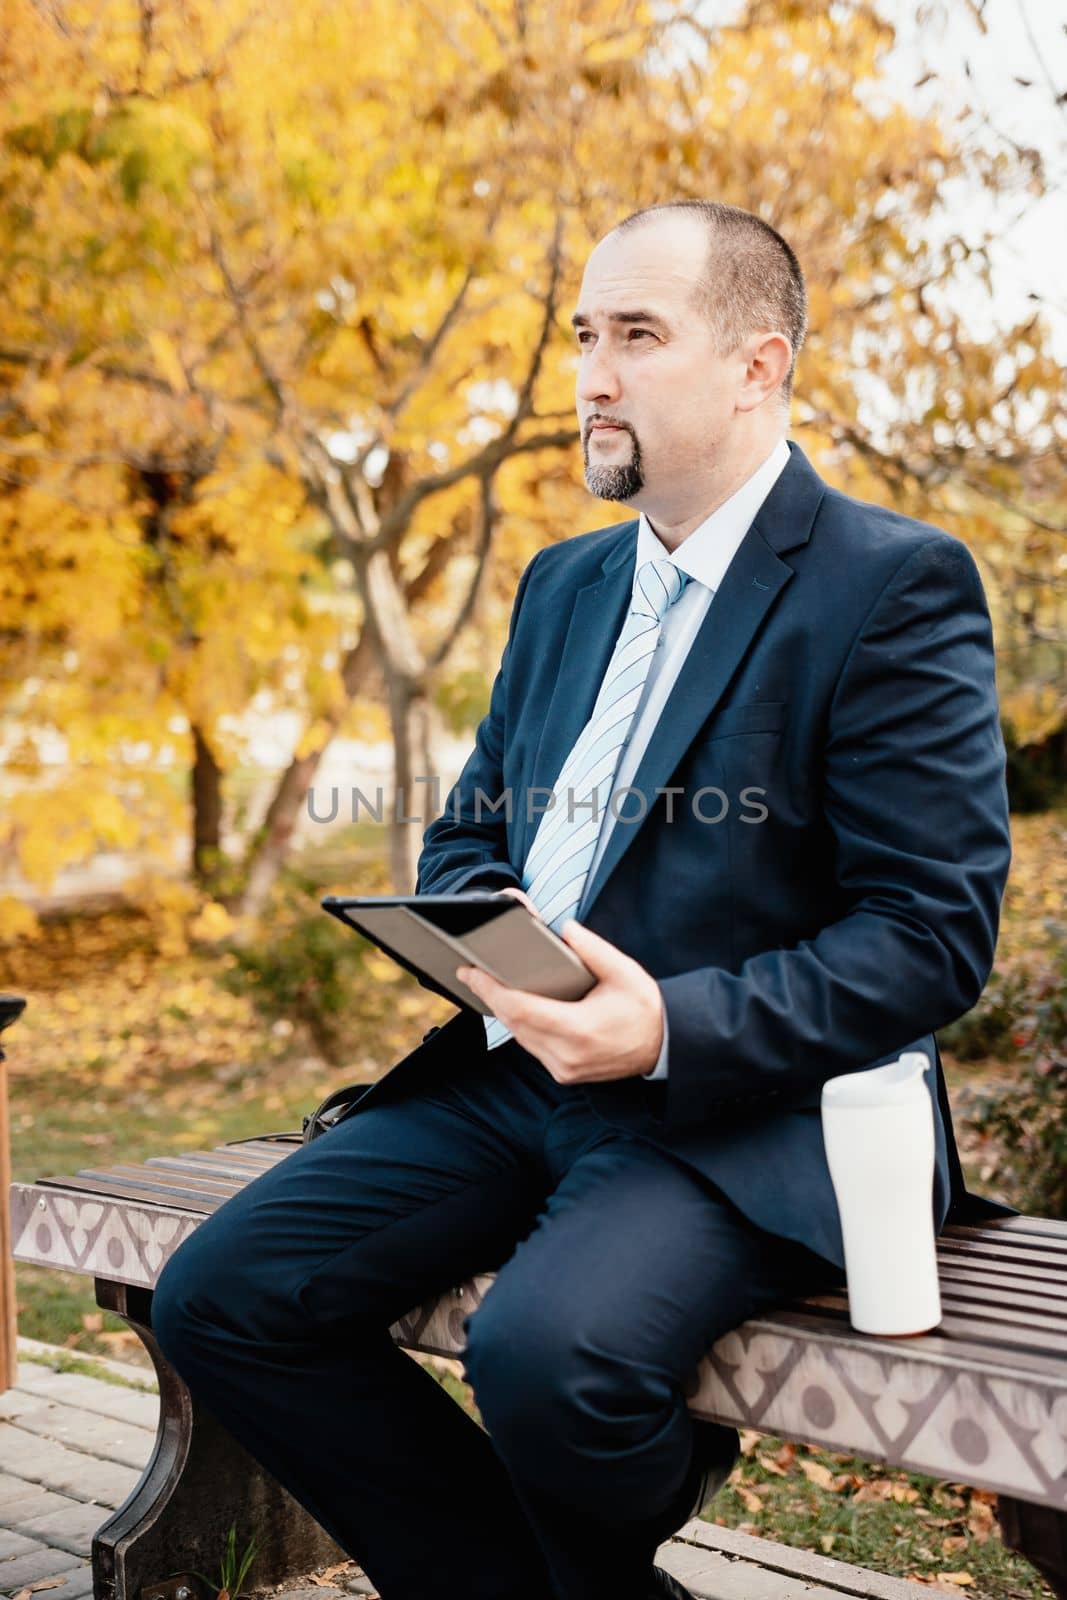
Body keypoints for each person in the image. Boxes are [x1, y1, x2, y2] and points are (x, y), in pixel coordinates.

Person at [152, 200, 1013, 1600]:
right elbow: (470, 834)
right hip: (515, 1069)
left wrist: (663, 1024)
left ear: (758, 364)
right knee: (223, 1299)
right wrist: (479, 942)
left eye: (637, 336)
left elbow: (929, 934)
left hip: (742, 1109)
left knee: (547, 1360)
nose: (592, 377)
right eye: (582, 337)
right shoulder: (561, 587)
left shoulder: (891, 584)